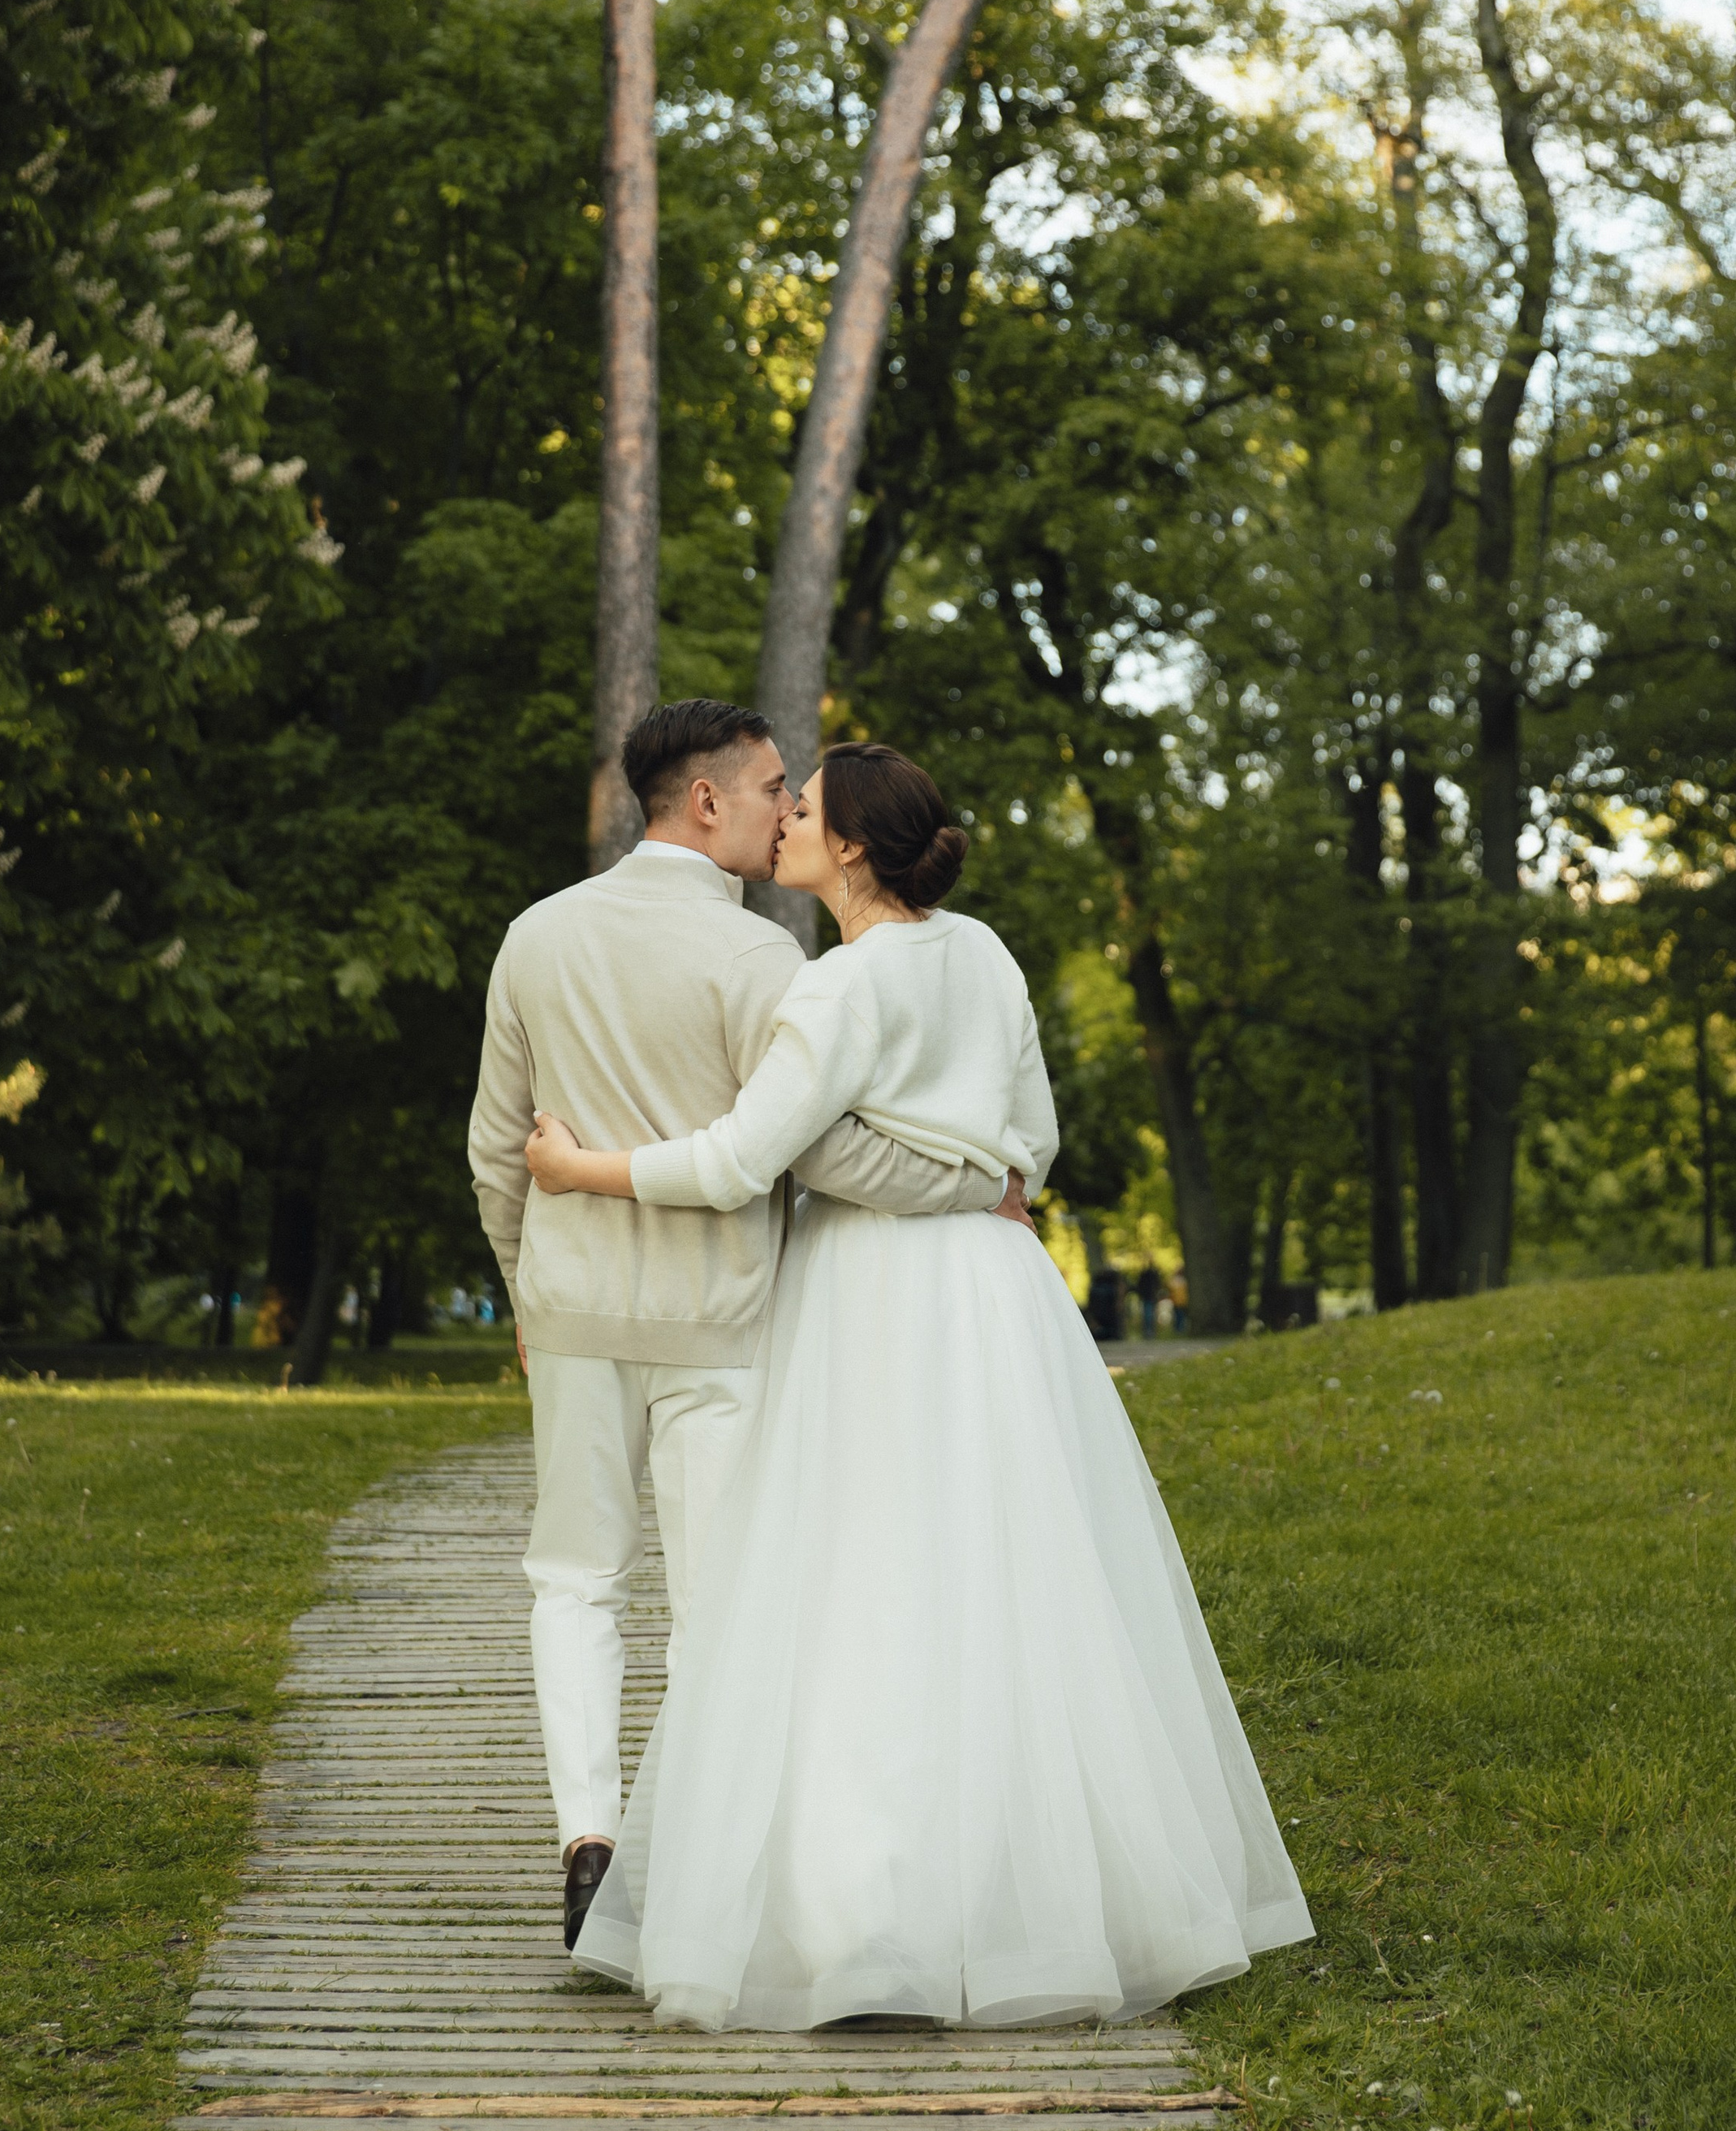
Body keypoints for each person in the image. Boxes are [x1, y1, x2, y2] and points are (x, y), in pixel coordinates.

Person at [525, 741, 1312, 2034]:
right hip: (998, 1302)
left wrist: (582, 1170)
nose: (784, 822)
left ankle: (863, 1911)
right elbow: (1034, 1145)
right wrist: (967, 1177)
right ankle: (1036, 1897)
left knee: (864, 1581)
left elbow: (740, 1162)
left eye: (806, 809)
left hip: (873, 1303)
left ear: (846, 848)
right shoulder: (986, 954)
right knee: (1011, 1586)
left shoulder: (837, 993)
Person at [468, 700, 1023, 1952]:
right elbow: (823, 1156)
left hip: (572, 1310)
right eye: (775, 787)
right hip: (719, 1319)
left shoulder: (536, 937)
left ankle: (588, 1835)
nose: (788, 809)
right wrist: (975, 1186)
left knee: (574, 1581)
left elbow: (497, 1145)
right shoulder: (765, 963)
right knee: (719, 1602)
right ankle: (696, 1867)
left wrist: (523, 1289)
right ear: (706, 800)